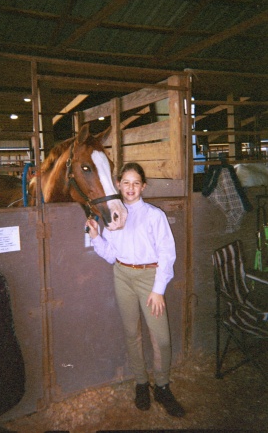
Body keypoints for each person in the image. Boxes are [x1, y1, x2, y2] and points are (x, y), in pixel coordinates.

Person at [86, 162, 185, 418]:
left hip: (149, 278)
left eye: (136, 183)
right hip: (122, 275)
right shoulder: (111, 215)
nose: (130, 188)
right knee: (132, 334)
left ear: (143, 186)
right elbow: (111, 255)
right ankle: (141, 382)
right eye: (126, 182)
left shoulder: (154, 215)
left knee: (160, 337)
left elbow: (167, 253)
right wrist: (96, 236)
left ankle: (162, 385)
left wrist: (158, 289)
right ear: (118, 184)